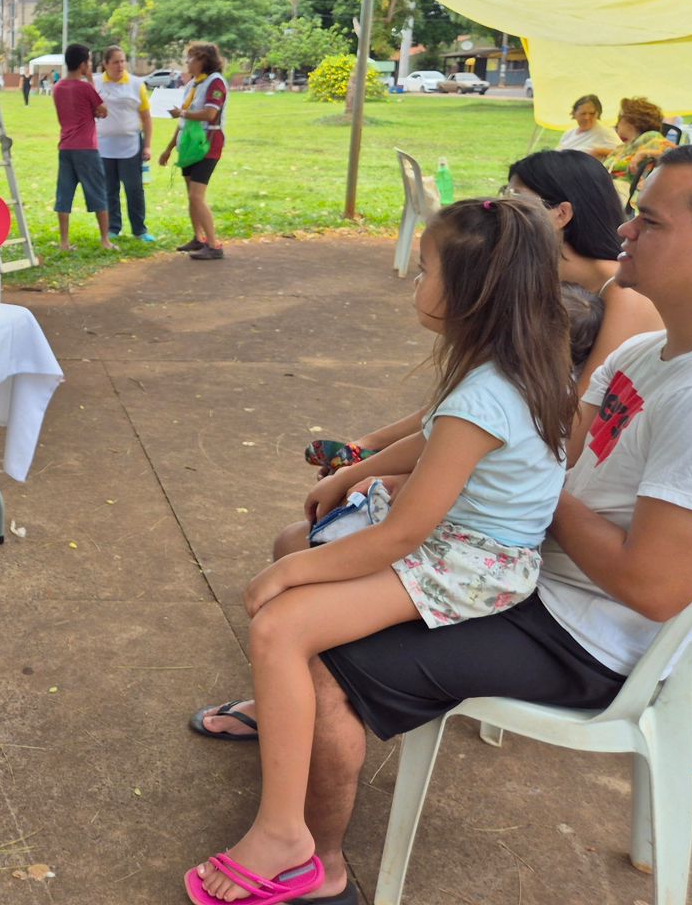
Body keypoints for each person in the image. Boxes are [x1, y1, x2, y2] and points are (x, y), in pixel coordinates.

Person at [191, 143, 692, 905]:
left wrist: (529, 495)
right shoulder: (651, 350)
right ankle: (286, 735)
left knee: (310, 648)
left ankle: (314, 865)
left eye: (649, 220)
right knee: (301, 552)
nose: (622, 230)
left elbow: (655, 588)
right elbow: (534, 437)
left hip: (577, 628)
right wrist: (376, 466)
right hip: (525, 559)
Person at [186, 197, 575, 902]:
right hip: (474, 546)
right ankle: (280, 741)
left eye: (424, 269)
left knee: (278, 621)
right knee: (290, 557)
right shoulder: (517, 360)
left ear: (468, 291)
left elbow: (404, 536)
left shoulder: (482, 394)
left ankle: (285, 834)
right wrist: (355, 471)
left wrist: (288, 575)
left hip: (469, 563)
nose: (414, 282)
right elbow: (432, 440)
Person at [310, 149, 662, 515]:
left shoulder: (624, 297)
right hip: (503, 441)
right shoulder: (537, 279)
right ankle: (364, 449)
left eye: (516, 198)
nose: (502, 207)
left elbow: (567, 426)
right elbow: (486, 393)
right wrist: (373, 445)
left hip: (537, 475)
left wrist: (414, 477)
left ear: (562, 214)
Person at [159, 41, 229, 260]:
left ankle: (214, 245)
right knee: (192, 196)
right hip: (189, 145)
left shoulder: (215, 83)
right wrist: (169, 148)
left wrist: (182, 113)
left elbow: (210, 115)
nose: (187, 63)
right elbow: (182, 121)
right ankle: (199, 238)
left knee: (196, 196)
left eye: (191, 58)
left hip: (207, 144)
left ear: (203, 60)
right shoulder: (192, 85)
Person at [52, 42, 114, 252]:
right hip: (86, 147)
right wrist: (90, 81)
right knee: (97, 191)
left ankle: (64, 242)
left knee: (64, 194)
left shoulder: (58, 87)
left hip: (66, 146)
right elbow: (102, 111)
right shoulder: (85, 87)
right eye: (88, 61)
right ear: (82, 64)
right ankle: (105, 240)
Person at [95, 45, 155, 243]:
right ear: (105, 64)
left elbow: (146, 118)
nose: (120, 65)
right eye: (115, 62)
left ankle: (139, 229)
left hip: (130, 145)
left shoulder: (137, 83)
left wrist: (147, 145)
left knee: (134, 188)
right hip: (104, 146)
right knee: (109, 188)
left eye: (122, 61)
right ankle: (113, 228)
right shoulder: (96, 84)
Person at [603, 96, 673, 186]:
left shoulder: (650, 137)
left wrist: (644, 153)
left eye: (620, 120)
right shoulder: (623, 148)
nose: (617, 126)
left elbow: (674, 156)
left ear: (630, 120)